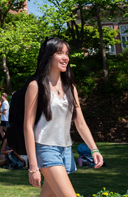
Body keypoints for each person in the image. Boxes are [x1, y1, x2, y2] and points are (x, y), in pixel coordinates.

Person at [24, 37, 103, 196]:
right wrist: (33, 166)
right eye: (60, 52)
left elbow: (80, 122)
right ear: (48, 55)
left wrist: (93, 149)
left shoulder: (70, 88)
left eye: (67, 53)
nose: (65, 57)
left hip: (65, 149)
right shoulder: (36, 86)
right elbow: (27, 126)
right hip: (46, 148)